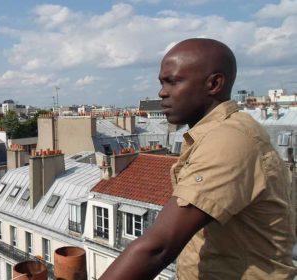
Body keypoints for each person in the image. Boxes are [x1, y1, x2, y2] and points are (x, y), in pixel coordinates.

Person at [99, 38, 296, 279]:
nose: (162, 92)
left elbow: (157, 248)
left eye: (173, 81)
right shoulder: (218, 133)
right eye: (162, 83)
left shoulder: (229, 141)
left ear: (214, 84)